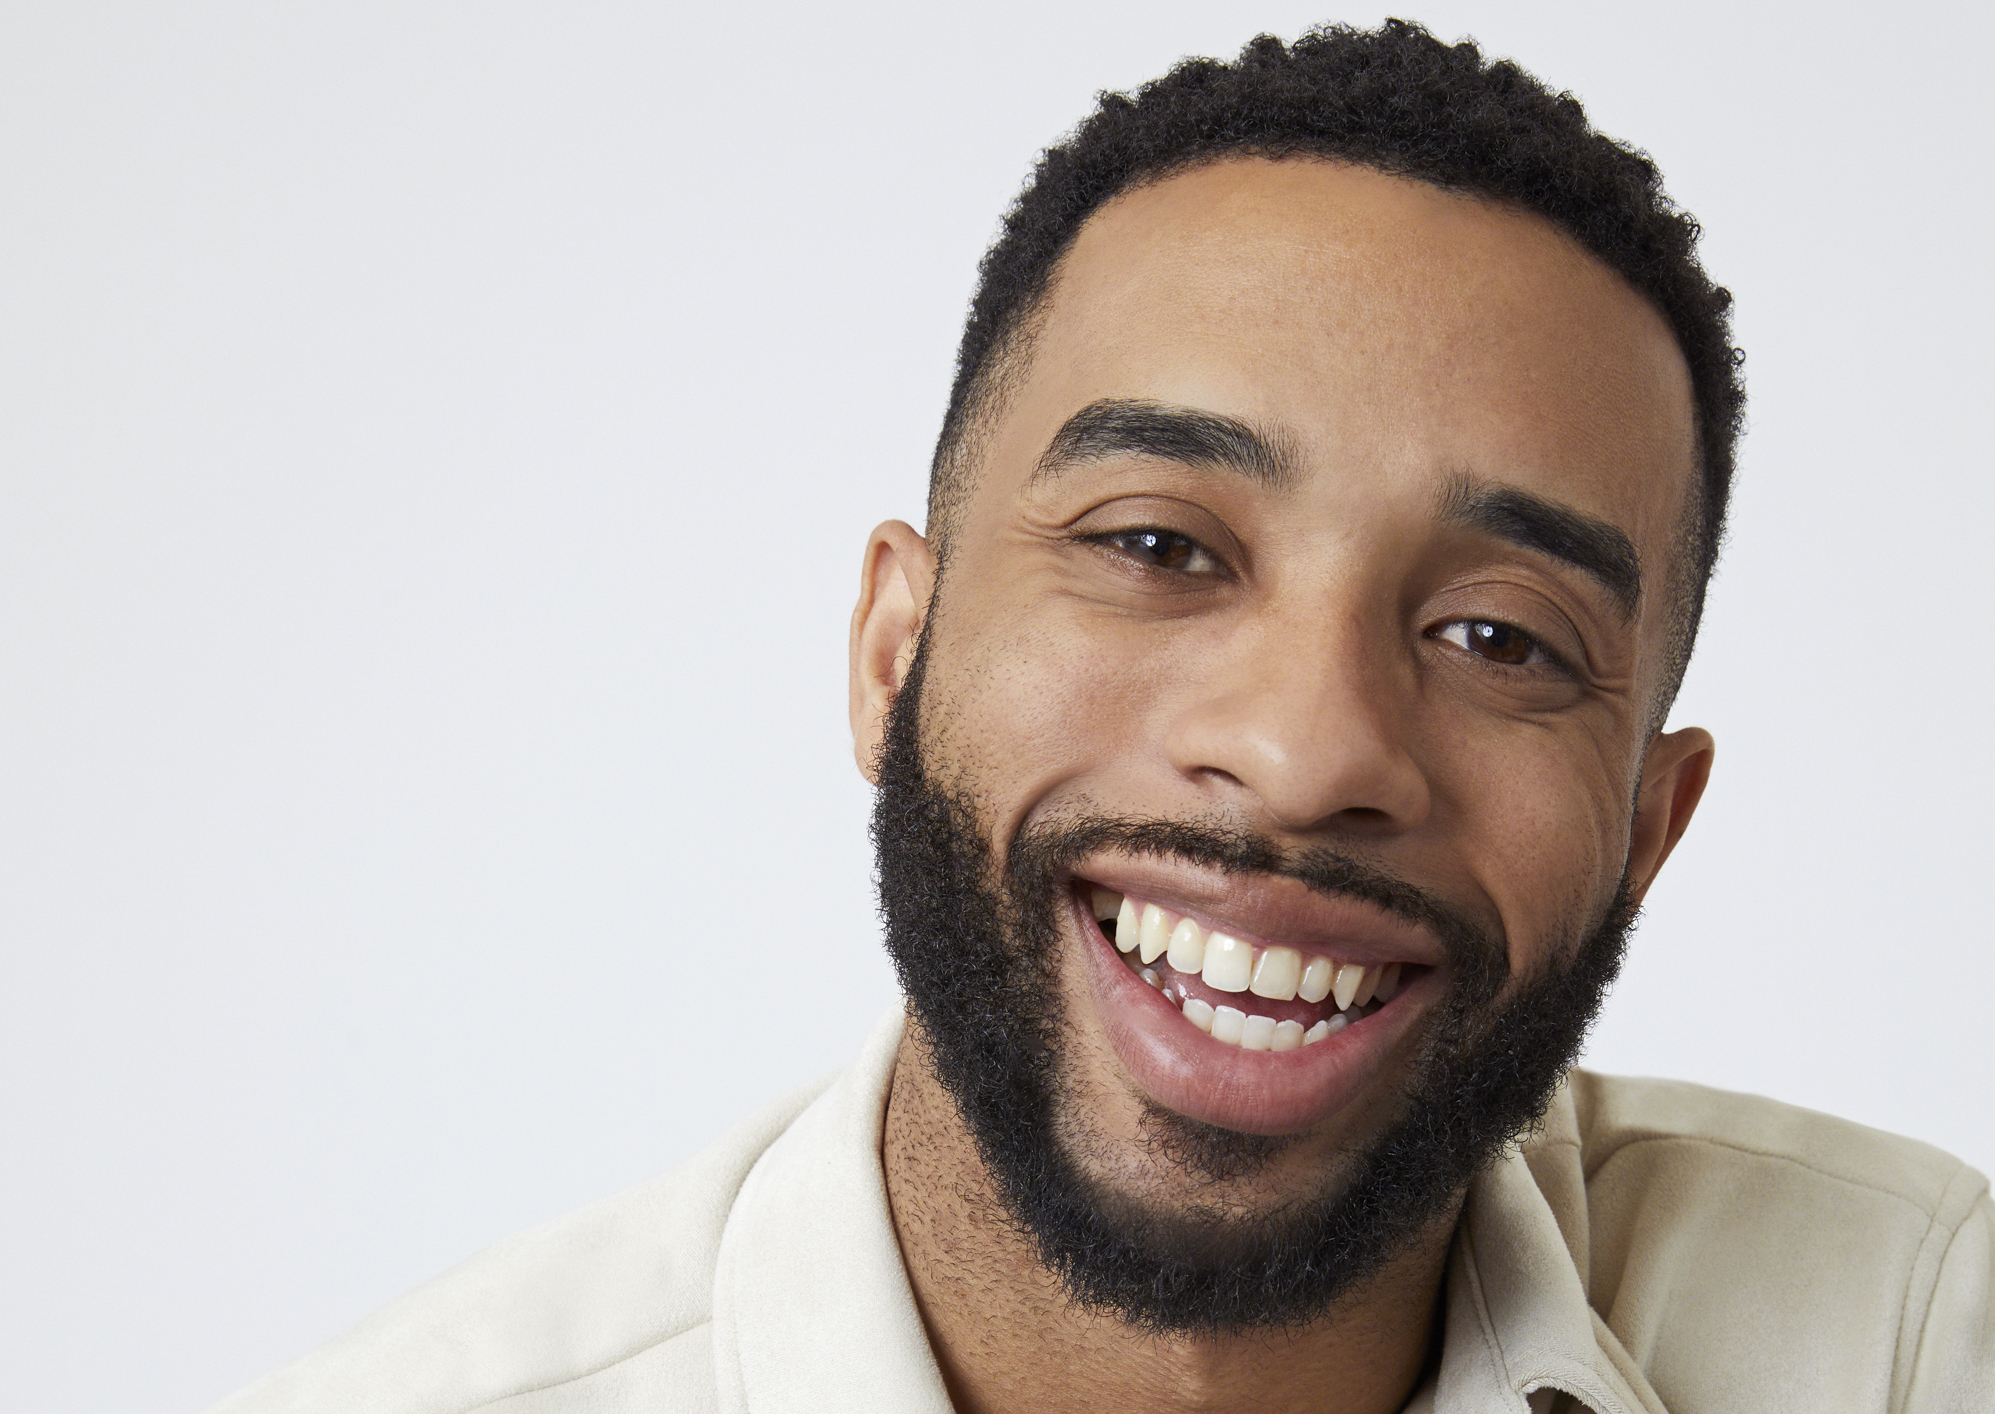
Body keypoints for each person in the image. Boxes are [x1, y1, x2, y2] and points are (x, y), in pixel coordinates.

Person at [208, 21, 1993, 1414]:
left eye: (1499, 638)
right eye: (1159, 544)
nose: (1307, 751)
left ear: (1643, 833)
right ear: (894, 651)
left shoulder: (1916, 1347)